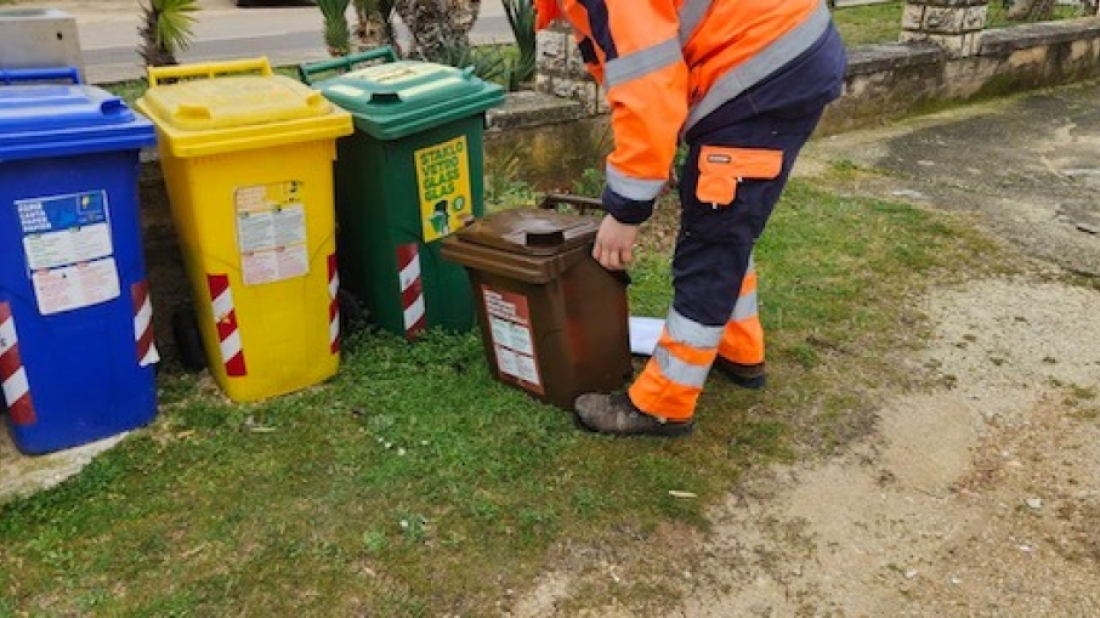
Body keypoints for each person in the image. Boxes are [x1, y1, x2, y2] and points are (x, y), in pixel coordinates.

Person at [534, 0, 848, 436]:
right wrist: (652, 160)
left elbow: (647, 92)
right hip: (776, 58)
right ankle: (739, 349)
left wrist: (625, 212)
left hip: (762, 71)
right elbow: (640, 74)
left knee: (711, 246)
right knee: (725, 227)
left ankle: (664, 402)